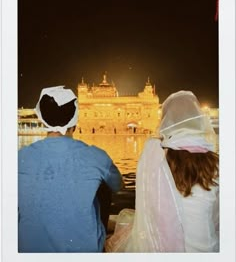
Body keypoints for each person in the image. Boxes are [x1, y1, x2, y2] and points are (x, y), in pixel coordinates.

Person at [105, 90, 219, 252]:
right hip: (208, 249)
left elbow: (149, 209)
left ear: (166, 121)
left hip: (163, 248)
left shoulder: (155, 154)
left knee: (115, 241)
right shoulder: (215, 163)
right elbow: (217, 215)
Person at [18, 86, 123, 253]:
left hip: (29, 249)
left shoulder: (20, 157)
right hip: (83, 249)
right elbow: (118, 185)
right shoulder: (96, 156)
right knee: (102, 184)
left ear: (42, 119)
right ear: (75, 121)